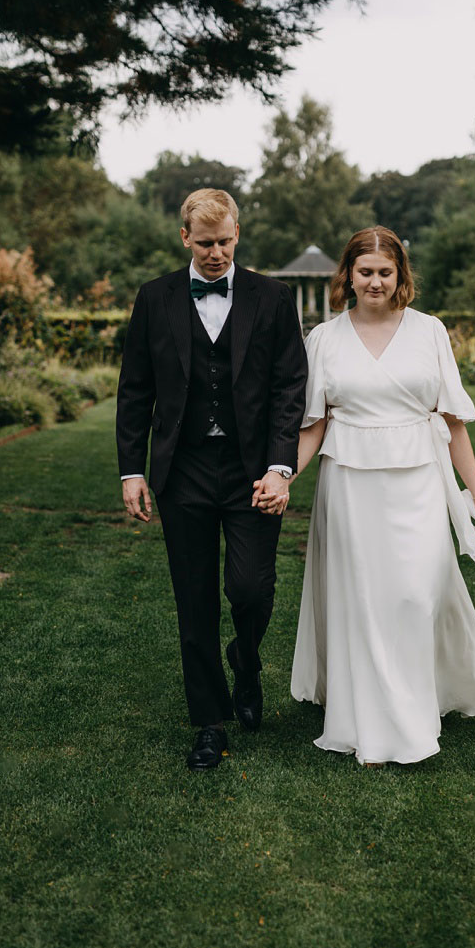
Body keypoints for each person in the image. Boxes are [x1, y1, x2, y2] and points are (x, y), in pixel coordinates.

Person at [272, 226, 475, 765]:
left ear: (401, 277)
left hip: (419, 480)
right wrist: (284, 476)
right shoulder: (323, 339)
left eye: (385, 273)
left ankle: (418, 701)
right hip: (350, 486)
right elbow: (313, 425)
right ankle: (374, 723)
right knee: (365, 603)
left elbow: (453, 419)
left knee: (415, 596)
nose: (375, 282)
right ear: (347, 275)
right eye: (365, 272)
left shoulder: (430, 332)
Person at [116, 188, 308, 771]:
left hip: (253, 471)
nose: (216, 253)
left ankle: (246, 664)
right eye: (205, 243)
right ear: (184, 239)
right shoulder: (155, 299)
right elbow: (135, 388)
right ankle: (208, 722)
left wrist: (281, 466)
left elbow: (288, 389)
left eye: (225, 241)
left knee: (250, 589)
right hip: (185, 470)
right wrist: (132, 470)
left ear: (237, 234)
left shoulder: (273, 298)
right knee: (193, 599)